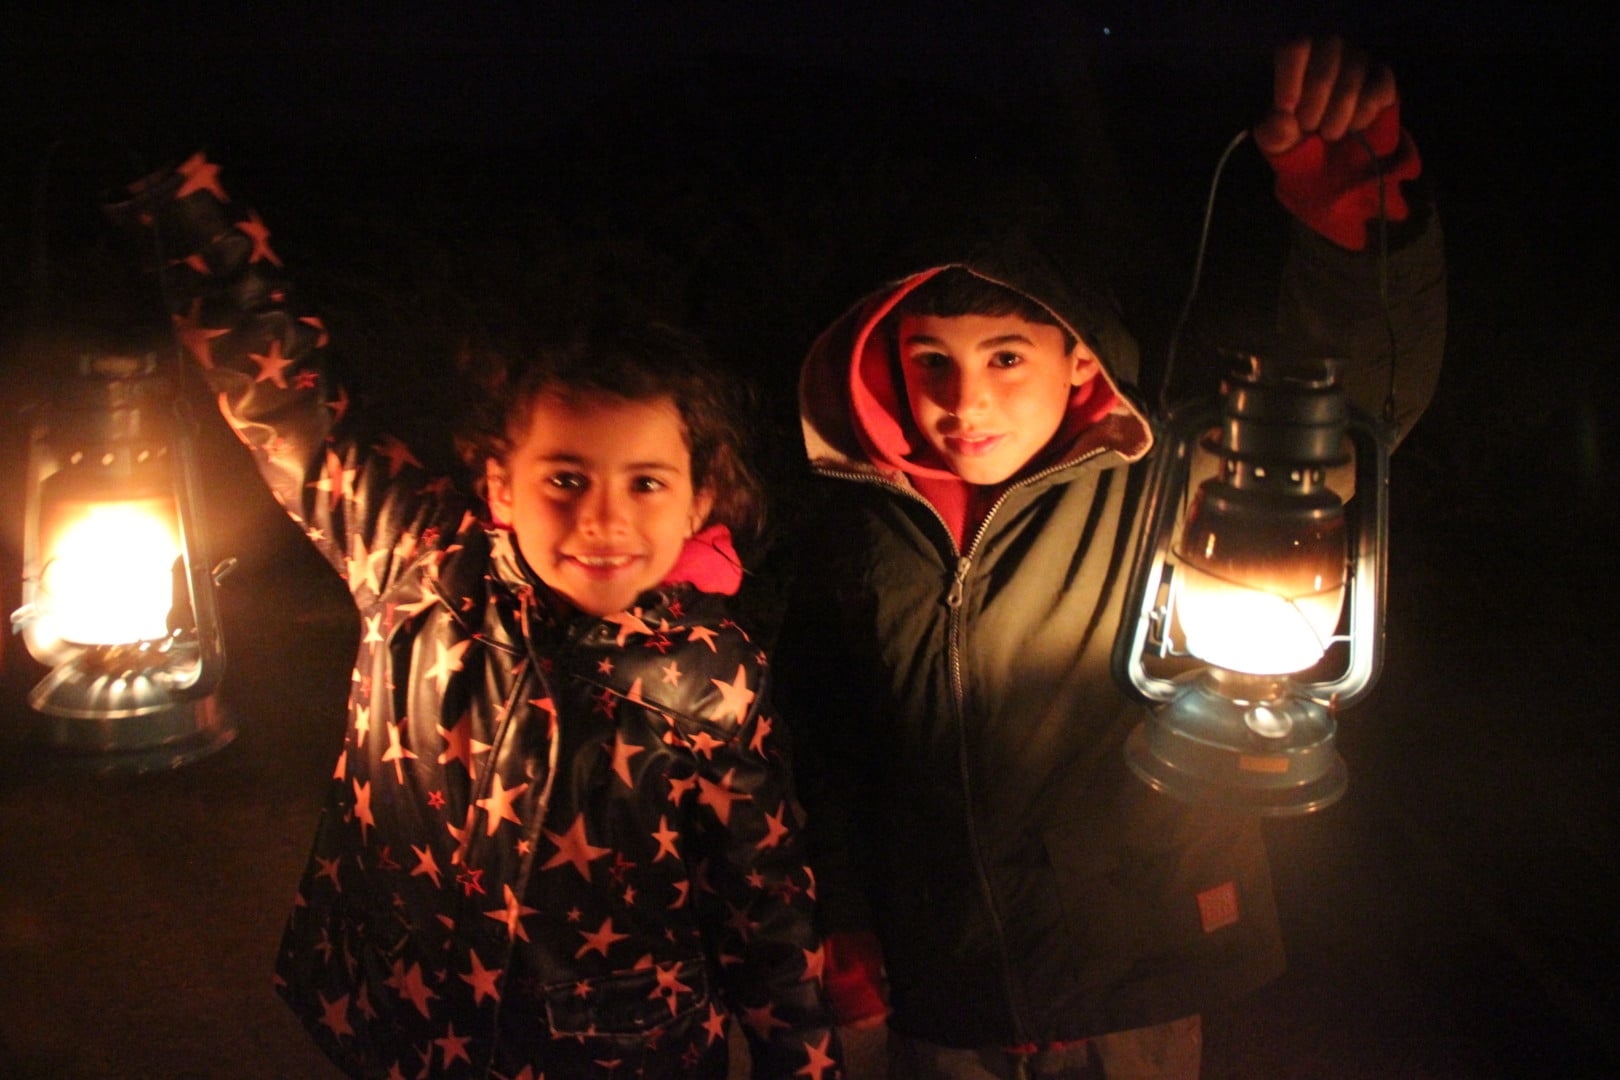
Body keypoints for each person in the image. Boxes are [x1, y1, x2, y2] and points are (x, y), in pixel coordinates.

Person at [774, 36, 1445, 1079]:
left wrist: (1351, 214)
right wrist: (844, 922)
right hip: (940, 984)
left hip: (1139, 968)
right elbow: (826, 737)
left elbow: (1361, 404)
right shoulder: (859, 524)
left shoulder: (1157, 480)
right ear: (882, 358)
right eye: (931, 364)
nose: (966, 402)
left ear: (1076, 354)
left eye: (1006, 356)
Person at [104, 158, 844, 1079]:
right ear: (500, 481)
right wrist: (184, 217)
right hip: (401, 1020)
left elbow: (764, 906)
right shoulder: (421, 563)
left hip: (617, 1054)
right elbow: (293, 394)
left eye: (646, 483)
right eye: (565, 478)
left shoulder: (716, 678)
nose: (604, 519)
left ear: (701, 503)